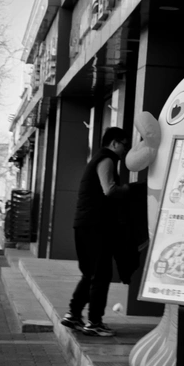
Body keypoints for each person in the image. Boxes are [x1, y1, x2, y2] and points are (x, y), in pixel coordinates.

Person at [61, 127, 130, 337]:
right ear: (114, 143)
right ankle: (94, 322)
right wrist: (132, 189)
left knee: (90, 273)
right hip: (96, 225)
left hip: (85, 223)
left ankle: (73, 314)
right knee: (101, 274)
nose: (125, 149)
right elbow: (109, 190)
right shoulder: (107, 159)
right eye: (124, 144)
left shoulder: (97, 159)